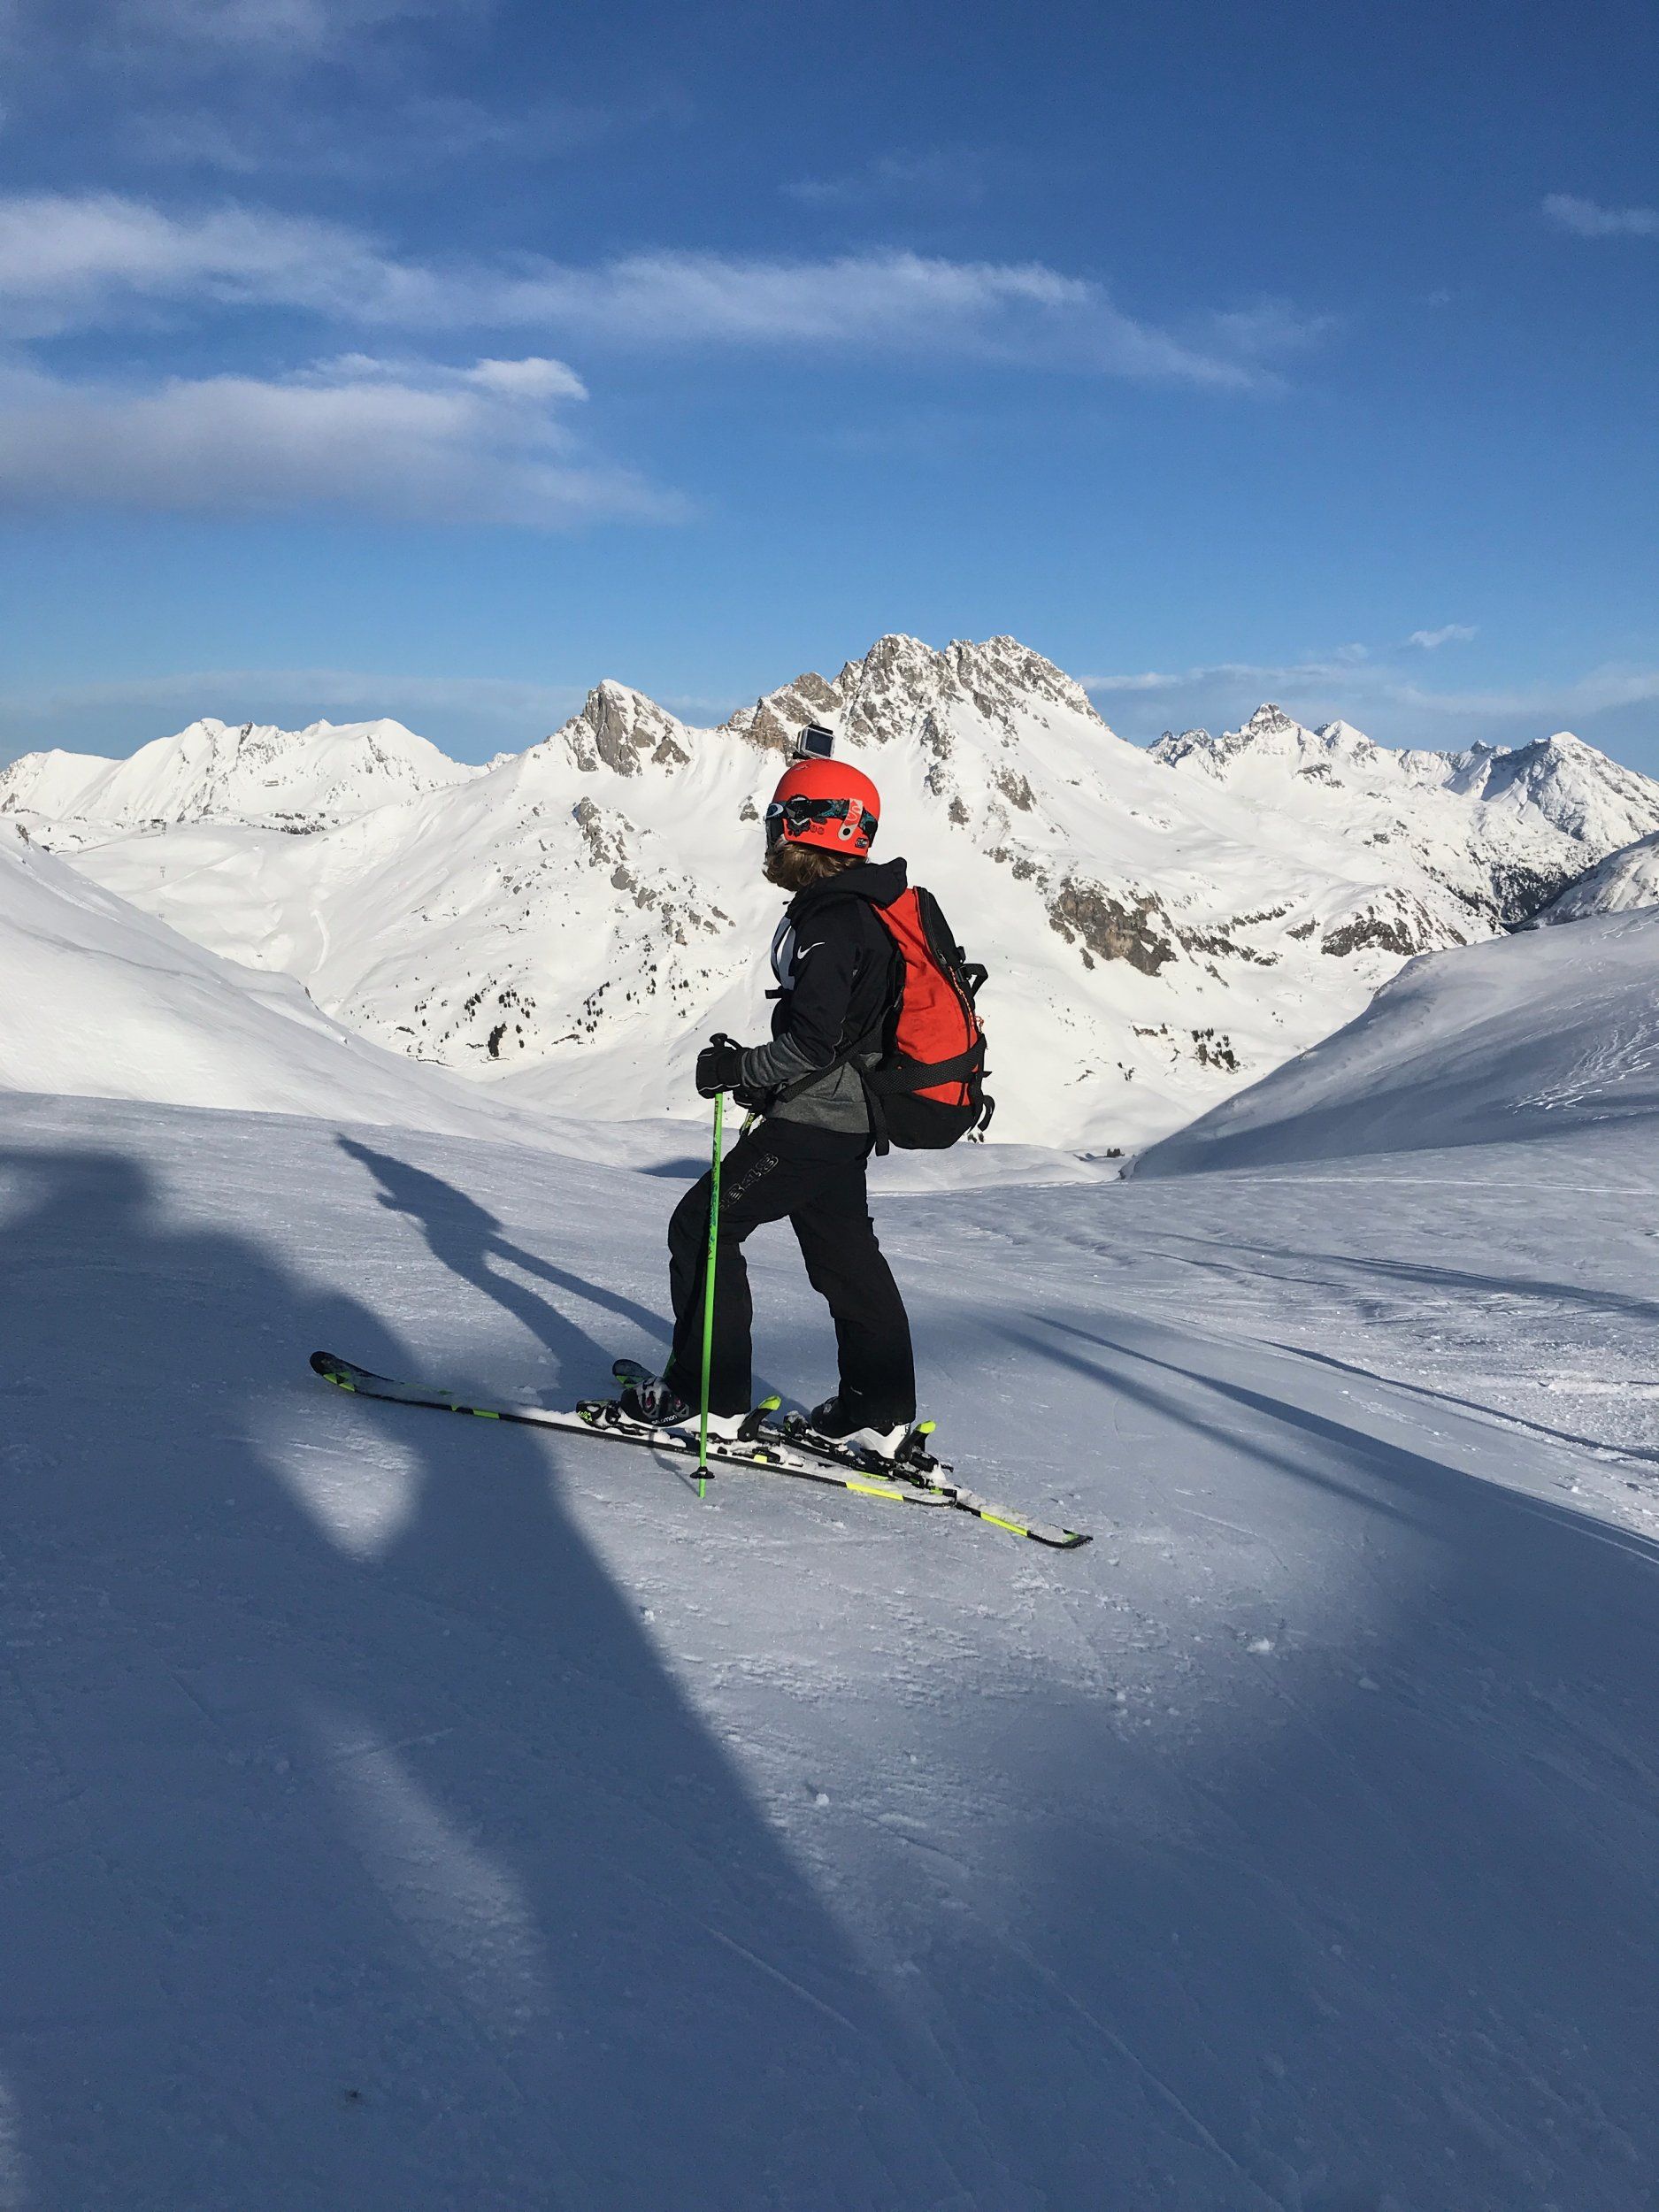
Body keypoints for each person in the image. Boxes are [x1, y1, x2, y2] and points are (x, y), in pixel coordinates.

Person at [620, 752, 918, 1455]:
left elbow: (815, 1042)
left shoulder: (833, 919)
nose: (771, 834)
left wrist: (739, 1068)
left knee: (703, 1226)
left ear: (811, 825)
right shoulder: (863, 910)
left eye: (778, 819)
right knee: (845, 1260)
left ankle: (708, 1402)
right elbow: (844, 1036)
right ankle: (876, 1414)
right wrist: (766, 1079)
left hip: (814, 1124)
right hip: (845, 1119)